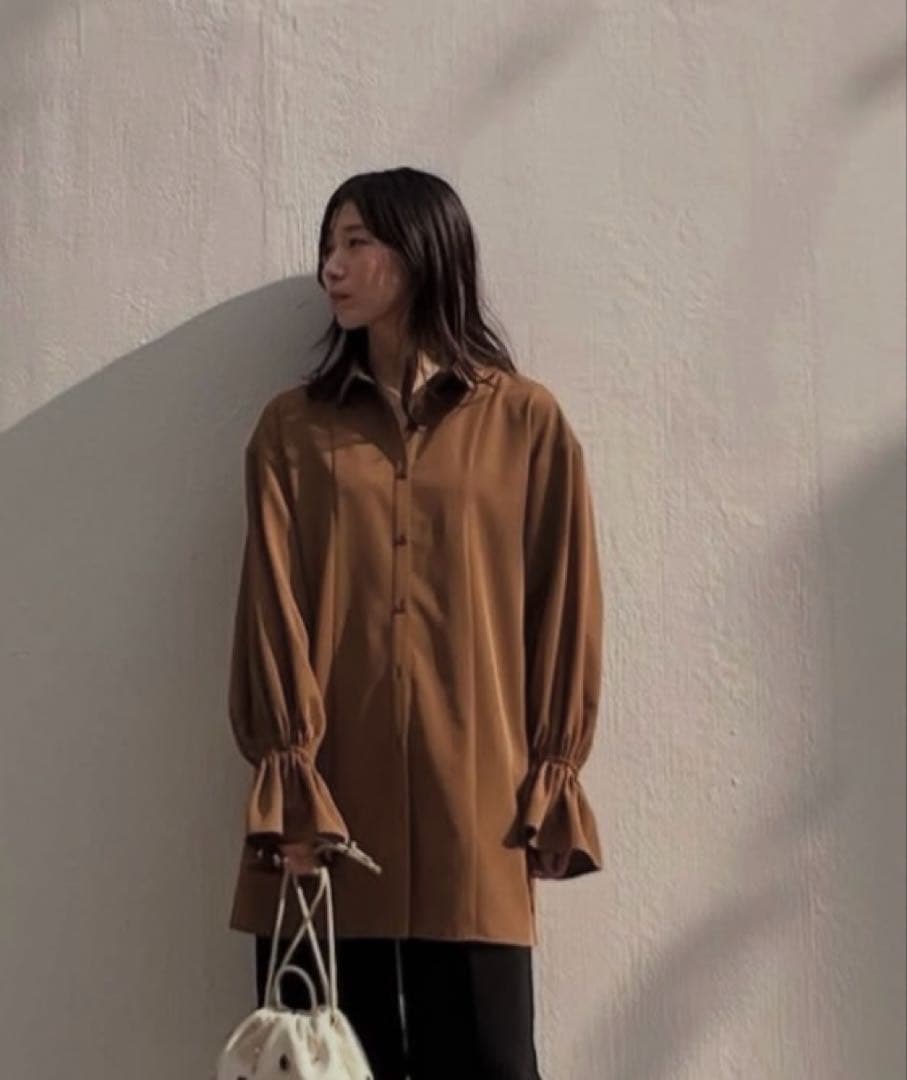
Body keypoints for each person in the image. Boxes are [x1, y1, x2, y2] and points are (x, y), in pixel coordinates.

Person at [226, 166, 604, 1080]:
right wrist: (290, 783)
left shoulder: (525, 424)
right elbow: (269, 606)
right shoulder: (293, 432)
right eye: (328, 245)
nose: (332, 266)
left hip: (476, 814)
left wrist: (552, 779)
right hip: (327, 814)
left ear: (424, 251)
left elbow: (564, 605)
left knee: (488, 1062)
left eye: (356, 242)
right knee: (330, 1063)